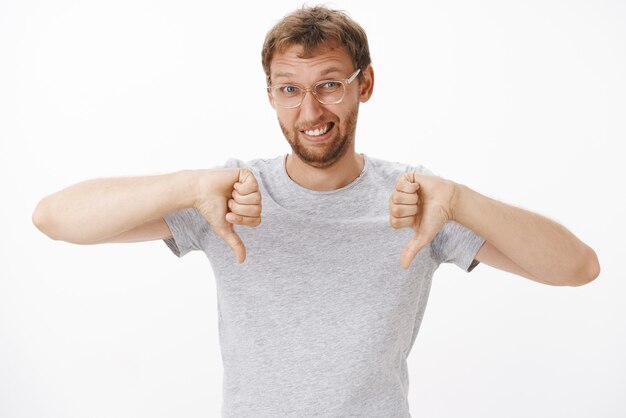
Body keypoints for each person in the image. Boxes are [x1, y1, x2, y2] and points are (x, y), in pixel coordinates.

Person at [32, 5, 600, 417]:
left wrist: (458, 198)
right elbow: (54, 218)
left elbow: (577, 267)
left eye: (330, 84)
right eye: (288, 89)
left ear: (365, 84)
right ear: (270, 93)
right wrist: (191, 184)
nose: (309, 110)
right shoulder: (226, 196)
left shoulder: (418, 202)